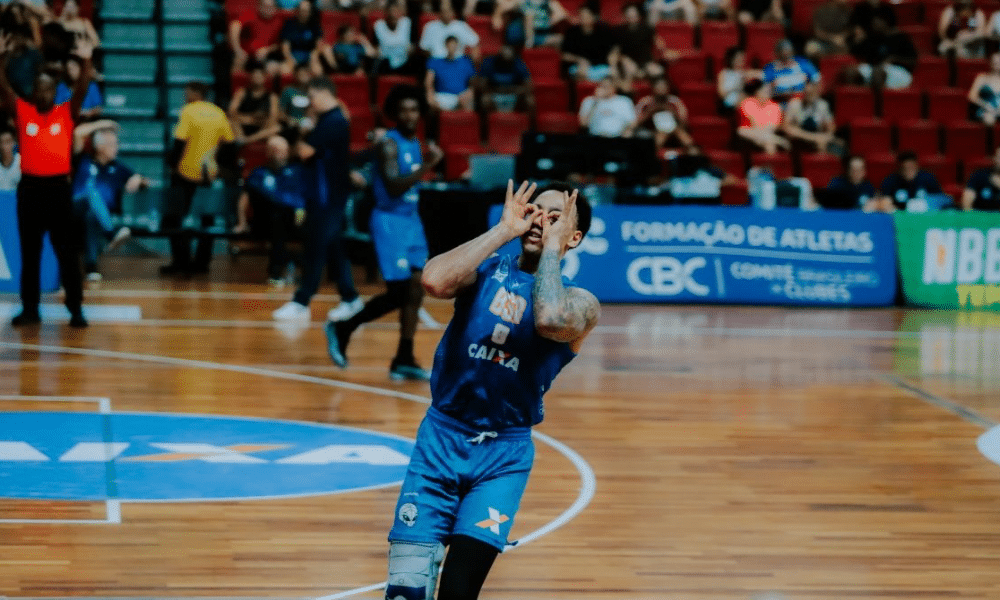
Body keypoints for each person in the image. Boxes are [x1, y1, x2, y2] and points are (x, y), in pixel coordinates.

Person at [375, 179, 599, 600]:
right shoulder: (484, 270)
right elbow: (433, 282)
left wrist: (552, 249)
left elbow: (549, 320)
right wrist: (502, 230)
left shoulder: (580, 303)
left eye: (556, 218)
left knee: (458, 592)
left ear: (574, 237)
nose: (542, 222)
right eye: (536, 211)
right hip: (440, 439)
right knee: (405, 592)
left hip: (502, 456)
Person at [324, 84, 444, 380]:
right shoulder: (389, 144)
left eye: (414, 109)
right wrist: (428, 165)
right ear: (394, 114)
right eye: (403, 110)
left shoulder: (414, 142)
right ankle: (343, 327)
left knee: (416, 288)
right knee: (399, 291)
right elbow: (393, 186)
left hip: (411, 221)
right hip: (389, 222)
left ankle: (404, 356)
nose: (409, 115)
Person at [2, 34, 94, 327]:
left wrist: (86, 60)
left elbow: (82, 88)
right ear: (33, 92)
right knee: (30, 253)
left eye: (48, 90)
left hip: (58, 191)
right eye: (39, 90)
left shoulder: (66, 113)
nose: (43, 94)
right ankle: (30, 309)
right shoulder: (23, 112)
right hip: (30, 190)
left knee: (67, 252)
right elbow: (3, 88)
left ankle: (75, 309)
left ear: (55, 93)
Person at [272, 77, 362, 322]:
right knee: (333, 247)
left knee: (315, 248)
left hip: (328, 196)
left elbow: (304, 152)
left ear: (324, 93)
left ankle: (301, 301)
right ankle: (350, 298)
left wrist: (303, 130)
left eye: (312, 97)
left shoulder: (333, 121)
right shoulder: (330, 120)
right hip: (324, 194)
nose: (310, 103)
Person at [162, 81, 236, 276]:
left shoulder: (189, 111)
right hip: (208, 174)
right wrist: (219, 166)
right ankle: (202, 263)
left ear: (196, 93)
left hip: (185, 172)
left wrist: (171, 166)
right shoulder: (218, 113)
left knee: (174, 218)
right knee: (207, 219)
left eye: (187, 92)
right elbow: (230, 144)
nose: (185, 96)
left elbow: (179, 142)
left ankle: (181, 262)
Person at [71, 122, 147, 281]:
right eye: (112, 144)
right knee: (90, 191)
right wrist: (104, 124)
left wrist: (138, 179)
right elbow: (78, 133)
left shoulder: (118, 168)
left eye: (116, 144)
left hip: (98, 215)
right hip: (74, 208)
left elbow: (145, 182)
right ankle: (111, 234)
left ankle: (91, 267)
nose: (116, 148)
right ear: (99, 147)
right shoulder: (83, 160)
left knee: (92, 216)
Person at [233, 135, 306, 284]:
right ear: (268, 152)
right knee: (277, 219)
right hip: (264, 222)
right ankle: (276, 272)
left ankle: (305, 271)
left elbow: (304, 197)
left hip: (294, 221)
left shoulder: (296, 171)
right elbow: (244, 200)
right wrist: (241, 223)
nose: (280, 153)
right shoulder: (258, 173)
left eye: (283, 150)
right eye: (275, 150)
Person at [849, 14, 916, 90]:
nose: (874, 25)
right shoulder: (874, 38)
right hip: (876, 67)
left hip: (899, 72)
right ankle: (853, 96)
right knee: (850, 71)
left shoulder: (901, 38)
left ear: (885, 22)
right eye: (873, 23)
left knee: (878, 73)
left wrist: (894, 59)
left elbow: (912, 60)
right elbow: (857, 53)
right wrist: (858, 40)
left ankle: (878, 97)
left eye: (876, 23)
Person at [611, 3, 665, 91]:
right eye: (629, 14)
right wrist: (623, 59)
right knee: (627, 68)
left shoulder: (647, 28)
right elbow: (615, 52)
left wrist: (664, 52)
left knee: (658, 71)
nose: (632, 16)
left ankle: (656, 95)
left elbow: (659, 44)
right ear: (624, 15)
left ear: (638, 14)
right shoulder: (619, 31)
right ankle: (627, 93)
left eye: (634, 13)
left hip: (646, 62)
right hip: (628, 63)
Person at [634, 76, 694, 151]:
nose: (661, 89)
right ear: (653, 88)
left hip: (675, 130)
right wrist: (650, 112)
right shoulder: (645, 102)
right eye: (658, 87)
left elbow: (685, 123)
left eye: (664, 87)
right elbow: (636, 123)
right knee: (658, 138)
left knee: (684, 137)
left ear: (668, 88)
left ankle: (693, 153)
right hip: (652, 132)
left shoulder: (675, 101)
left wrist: (673, 112)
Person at [782, 80, 842, 154]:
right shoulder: (794, 104)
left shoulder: (823, 105)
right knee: (792, 131)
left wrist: (826, 136)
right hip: (799, 137)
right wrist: (814, 137)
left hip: (817, 136)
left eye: (812, 92)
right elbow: (786, 127)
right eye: (807, 92)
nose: (809, 95)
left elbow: (831, 127)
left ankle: (819, 160)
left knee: (822, 143)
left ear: (817, 92)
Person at [228, 61, 281, 145]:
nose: (257, 78)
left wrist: (255, 120)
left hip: (261, 129)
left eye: (259, 76)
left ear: (265, 78)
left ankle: (246, 141)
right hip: (241, 126)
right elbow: (231, 112)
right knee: (230, 122)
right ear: (250, 78)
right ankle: (241, 139)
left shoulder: (272, 97)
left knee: (276, 127)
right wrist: (251, 119)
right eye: (255, 76)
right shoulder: (241, 92)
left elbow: (273, 117)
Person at [561, 5, 615, 82]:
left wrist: (612, 63)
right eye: (582, 15)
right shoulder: (571, 32)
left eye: (587, 15)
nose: (584, 18)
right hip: (578, 66)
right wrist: (579, 60)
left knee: (613, 73)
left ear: (594, 17)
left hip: (599, 67)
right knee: (580, 72)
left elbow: (611, 51)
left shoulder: (603, 31)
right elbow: (564, 55)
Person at [877, 150, 944, 212]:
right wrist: (886, 205)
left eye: (911, 167)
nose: (909, 171)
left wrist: (928, 204)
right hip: (899, 216)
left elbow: (942, 199)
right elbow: (882, 201)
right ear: (899, 168)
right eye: (905, 168)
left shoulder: (928, 179)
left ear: (917, 166)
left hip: (924, 216)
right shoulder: (890, 181)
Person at [476, 42, 533, 115]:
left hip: (514, 94)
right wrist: (493, 90)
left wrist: (516, 90)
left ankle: (529, 122)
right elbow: (481, 84)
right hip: (494, 94)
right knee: (485, 99)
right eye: (503, 58)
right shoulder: (489, 63)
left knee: (530, 101)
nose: (505, 62)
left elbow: (529, 84)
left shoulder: (518, 63)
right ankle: (486, 122)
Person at [229, 0, 285, 73]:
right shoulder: (252, 14)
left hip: (268, 56)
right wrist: (238, 50)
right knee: (238, 61)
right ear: (259, 6)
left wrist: (267, 50)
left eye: (271, 7)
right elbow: (235, 26)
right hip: (248, 54)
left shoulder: (279, 20)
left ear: (275, 8)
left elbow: (280, 44)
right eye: (265, 6)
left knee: (273, 67)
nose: (268, 9)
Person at [736, 79, 789, 154]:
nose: (767, 93)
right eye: (765, 91)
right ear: (757, 92)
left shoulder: (775, 107)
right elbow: (754, 124)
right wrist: (766, 136)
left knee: (769, 144)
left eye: (768, 91)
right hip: (750, 135)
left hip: (763, 135)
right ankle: (779, 140)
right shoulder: (748, 102)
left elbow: (771, 128)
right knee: (742, 131)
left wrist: (763, 136)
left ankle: (770, 160)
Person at [425, 35, 476, 111]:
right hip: (441, 97)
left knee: (468, 102)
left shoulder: (466, 62)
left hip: (461, 97)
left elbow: (473, 83)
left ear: (457, 46)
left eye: (454, 45)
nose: (452, 47)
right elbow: (428, 82)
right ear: (446, 45)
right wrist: (430, 95)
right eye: (450, 45)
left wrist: (469, 94)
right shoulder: (435, 62)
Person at [763, 39, 821, 104]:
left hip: (802, 100)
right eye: (783, 55)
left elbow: (817, 79)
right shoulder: (770, 68)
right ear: (777, 54)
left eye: (788, 54)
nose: (786, 57)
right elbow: (764, 87)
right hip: (778, 101)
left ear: (792, 52)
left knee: (821, 105)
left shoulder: (803, 63)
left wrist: (811, 90)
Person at [279, 0, 326, 75]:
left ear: (310, 12)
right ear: (297, 11)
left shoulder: (315, 25)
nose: (303, 13)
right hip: (293, 55)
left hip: (309, 56)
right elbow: (285, 47)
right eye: (301, 10)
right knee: (284, 71)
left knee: (317, 70)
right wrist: (290, 60)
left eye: (305, 11)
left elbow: (319, 45)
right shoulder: (289, 24)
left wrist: (314, 55)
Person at [373, 1, 416, 75]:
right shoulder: (378, 26)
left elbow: (413, 45)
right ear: (386, 12)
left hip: (405, 62)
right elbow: (375, 47)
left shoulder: (407, 23)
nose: (393, 14)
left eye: (396, 11)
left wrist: (410, 49)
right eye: (391, 11)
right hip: (385, 63)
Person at [55, 55, 102, 121]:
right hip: (65, 122)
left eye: (74, 68)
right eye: (69, 69)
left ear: (80, 68)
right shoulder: (62, 86)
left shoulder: (91, 86)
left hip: (86, 121)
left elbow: (98, 108)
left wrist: (87, 113)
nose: (71, 72)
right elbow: (57, 107)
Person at [716, 46, 763, 111]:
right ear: (732, 59)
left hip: (743, 101)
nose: (742, 60)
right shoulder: (724, 73)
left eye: (743, 58)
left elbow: (762, 74)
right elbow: (721, 94)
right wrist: (736, 85)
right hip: (728, 104)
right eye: (739, 58)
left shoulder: (744, 72)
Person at [961, 146, 1000, 211]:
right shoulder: (980, 175)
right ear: (994, 158)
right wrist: (968, 214)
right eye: (999, 157)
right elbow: (967, 199)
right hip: (980, 214)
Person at [968, 51, 1000, 125]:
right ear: (990, 63)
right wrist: (986, 105)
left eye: (999, 62)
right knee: (989, 119)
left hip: (999, 110)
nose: (997, 65)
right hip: (985, 109)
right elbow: (972, 96)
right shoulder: (982, 77)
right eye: (995, 62)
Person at [279, 61, 314, 126]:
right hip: (291, 124)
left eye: (306, 74)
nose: (304, 76)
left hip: (310, 124)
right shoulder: (288, 91)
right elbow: (281, 113)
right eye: (301, 74)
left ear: (311, 75)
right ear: (296, 75)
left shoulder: (315, 91)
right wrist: (290, 120)